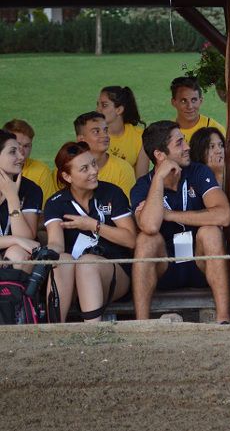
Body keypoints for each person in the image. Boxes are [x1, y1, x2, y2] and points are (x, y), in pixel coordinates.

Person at [131, 121, 230, 322]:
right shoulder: (142, 187)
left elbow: (223, 215)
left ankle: (223, 319)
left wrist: (170, 215)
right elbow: (150, 226)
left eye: (184, 141)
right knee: (146, 240)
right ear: (160, 155)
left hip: (200, 263)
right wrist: (159, 179)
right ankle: (141, 324)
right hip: (165, 267)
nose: (187, 147)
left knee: (210, 232)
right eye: (179, 143)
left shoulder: (198, 172)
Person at [44, 141, 136, 322]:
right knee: (62, 259)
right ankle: (54, 332)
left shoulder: (112, 193)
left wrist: (93, 225)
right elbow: (56, 244)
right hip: (73, 279)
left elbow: (131, 240)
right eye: (84, 168)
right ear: (67, 176)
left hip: (112, 273)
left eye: (93, 164)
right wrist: (46, 253)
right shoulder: (56, 203)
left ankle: (93, 332)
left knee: (87, 264)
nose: (94, 171)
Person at [0, 130, 42, 265]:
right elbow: (21, 240)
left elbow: (26, 239)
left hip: (15, 256)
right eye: (13, 152)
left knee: (17, 253)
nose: (21, 157)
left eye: (20, 151)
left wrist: (12, 199)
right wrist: (15, 240)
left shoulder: (31, 189)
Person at [73, 111, 136, 198]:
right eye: (96, 131)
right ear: (81, 140)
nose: (105, 135)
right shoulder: (68, 170)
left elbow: (126, 209)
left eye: (105, 130)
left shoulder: (123, 169)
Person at [96, 85, 149, 177]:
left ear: (119, 110)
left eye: (104, 105)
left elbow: (141, 179)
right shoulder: (92, 136)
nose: (98, 110)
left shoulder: (139, 136)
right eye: (98, 105)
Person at [3, 119, 58, 201]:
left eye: (26, 146)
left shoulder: (41, 171)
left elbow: (48, 210)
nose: (21, 152)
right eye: (17, 145)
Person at [169, 77, 226, 143]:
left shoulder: (215, 130)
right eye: (183, 101)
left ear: (200, 101)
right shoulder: (166, 132)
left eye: (194, 100)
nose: (190, 106)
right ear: (173, 102)